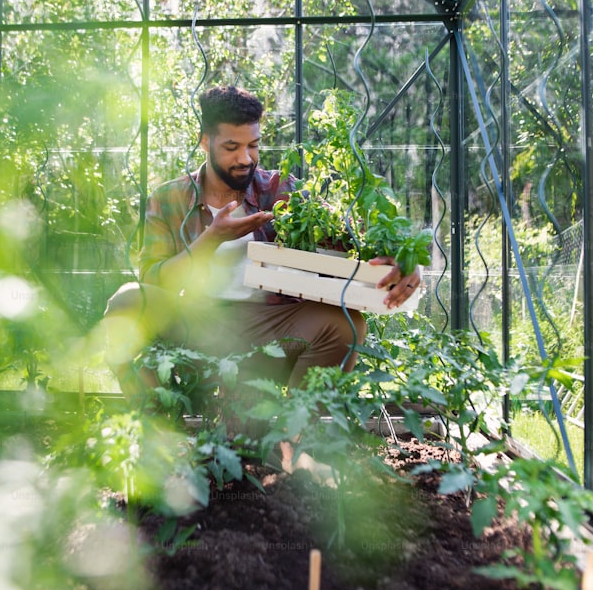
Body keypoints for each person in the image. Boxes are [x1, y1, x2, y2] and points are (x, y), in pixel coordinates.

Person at [103, 85, 422, 399]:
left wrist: (404, 259)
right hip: (197, 329)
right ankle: (155, 420)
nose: (245, 158)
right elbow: (152, 280)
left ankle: (292, 437)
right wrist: (212, 238)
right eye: (231, 147)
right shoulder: (168, 198)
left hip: (272, 329)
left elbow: (351, 237)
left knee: (345, 324)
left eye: (253, 145)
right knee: (128, 301)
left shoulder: (282, 190)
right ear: (205, 142)